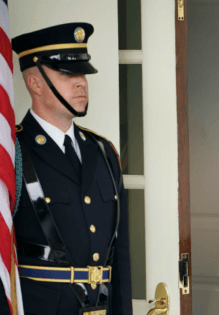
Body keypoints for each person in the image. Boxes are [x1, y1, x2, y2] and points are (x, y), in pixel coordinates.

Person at [10, 23, 132, 315]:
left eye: (83, 74)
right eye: (68, 74)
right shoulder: (13, 152)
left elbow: (120, 258)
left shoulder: (103, 152)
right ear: (35, 83)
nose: (82, 83)